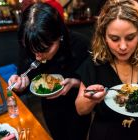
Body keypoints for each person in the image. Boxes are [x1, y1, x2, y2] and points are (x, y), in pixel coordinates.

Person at [75, 0, 138, 140]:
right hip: (104, 134)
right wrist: (91, 100)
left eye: (130, 37)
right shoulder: (95, 64)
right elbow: (80, 110)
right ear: (104, 37)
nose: (123, 46)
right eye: (114, 39)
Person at [8, 2, 91, 140]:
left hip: (77, 104)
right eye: (32, 51)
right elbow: (25, 75)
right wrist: (20, 83)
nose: (37, 56)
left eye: (44, 50)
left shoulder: (79, 44)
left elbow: (94, 81)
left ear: (59, 36)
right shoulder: (31, 42)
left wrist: (76, 83)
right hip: (49, 105)